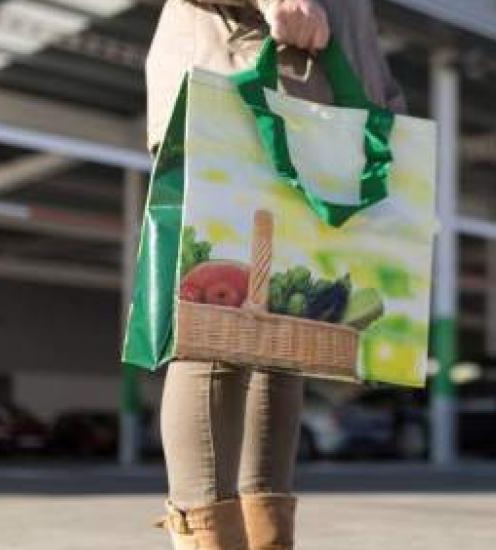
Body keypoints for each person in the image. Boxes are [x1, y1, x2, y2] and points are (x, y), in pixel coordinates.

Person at [145, 1, 405, 548]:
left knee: (285, 339)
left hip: (325, 112)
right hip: (232, 83)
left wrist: (383, 100)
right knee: (217, 328)